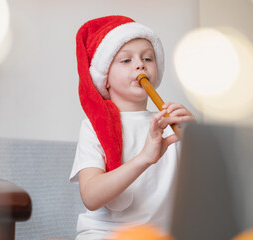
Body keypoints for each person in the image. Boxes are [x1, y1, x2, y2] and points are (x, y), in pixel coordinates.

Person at [69, 15, 195, 240]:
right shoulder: (93, 127)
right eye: (126, 60)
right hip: (106, 235)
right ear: (105, 78)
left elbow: (207, 189)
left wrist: (198, 140)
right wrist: (145, 158)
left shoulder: (170, 125)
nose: (140, 64)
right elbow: (90, 196)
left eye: (147, 58)